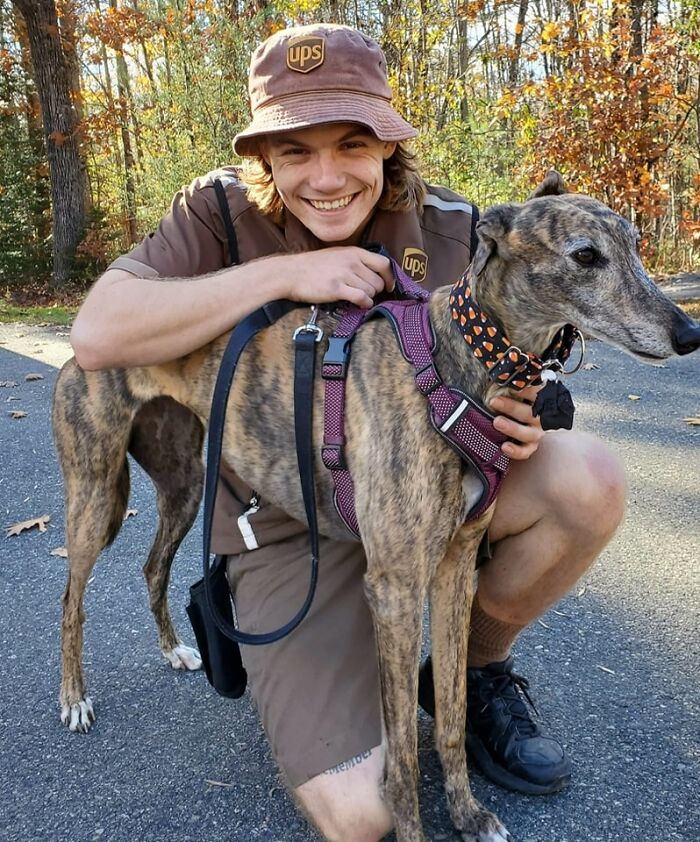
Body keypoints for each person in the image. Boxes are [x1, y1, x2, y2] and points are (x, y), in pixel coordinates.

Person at [71, 23, 626, 842]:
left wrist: (528, 408)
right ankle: (322, 664)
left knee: (589, 480)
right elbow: (96, 334)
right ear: (264, 156)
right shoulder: (215, 212)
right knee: (362, 820)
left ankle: (472, 675)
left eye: (352, 144)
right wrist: (286, 274)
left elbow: (537, 330)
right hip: (284, 527)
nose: (326, 177)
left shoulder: (452, 228)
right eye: (295, 150)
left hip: (421, 506)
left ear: (390, 146)